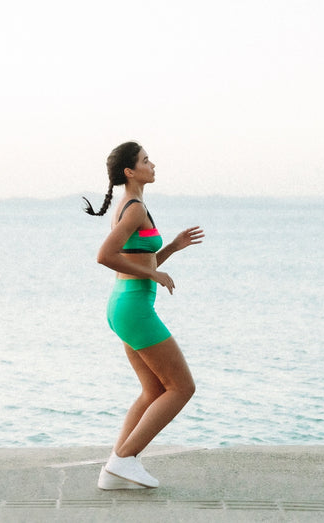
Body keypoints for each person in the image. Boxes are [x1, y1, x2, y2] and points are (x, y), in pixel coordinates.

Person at [83, 141, 204, 489]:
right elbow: (104, 256)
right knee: (182, 387)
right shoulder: (133, 208)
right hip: (133, 308)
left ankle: (114, 469)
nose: (153, 164)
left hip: (126, 305)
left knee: (153, 390)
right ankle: (124, 459)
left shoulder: (133, 207)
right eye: (146, 160)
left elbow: (137, 261)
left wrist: (171, 249)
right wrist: (153, 274)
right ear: (130, 172)